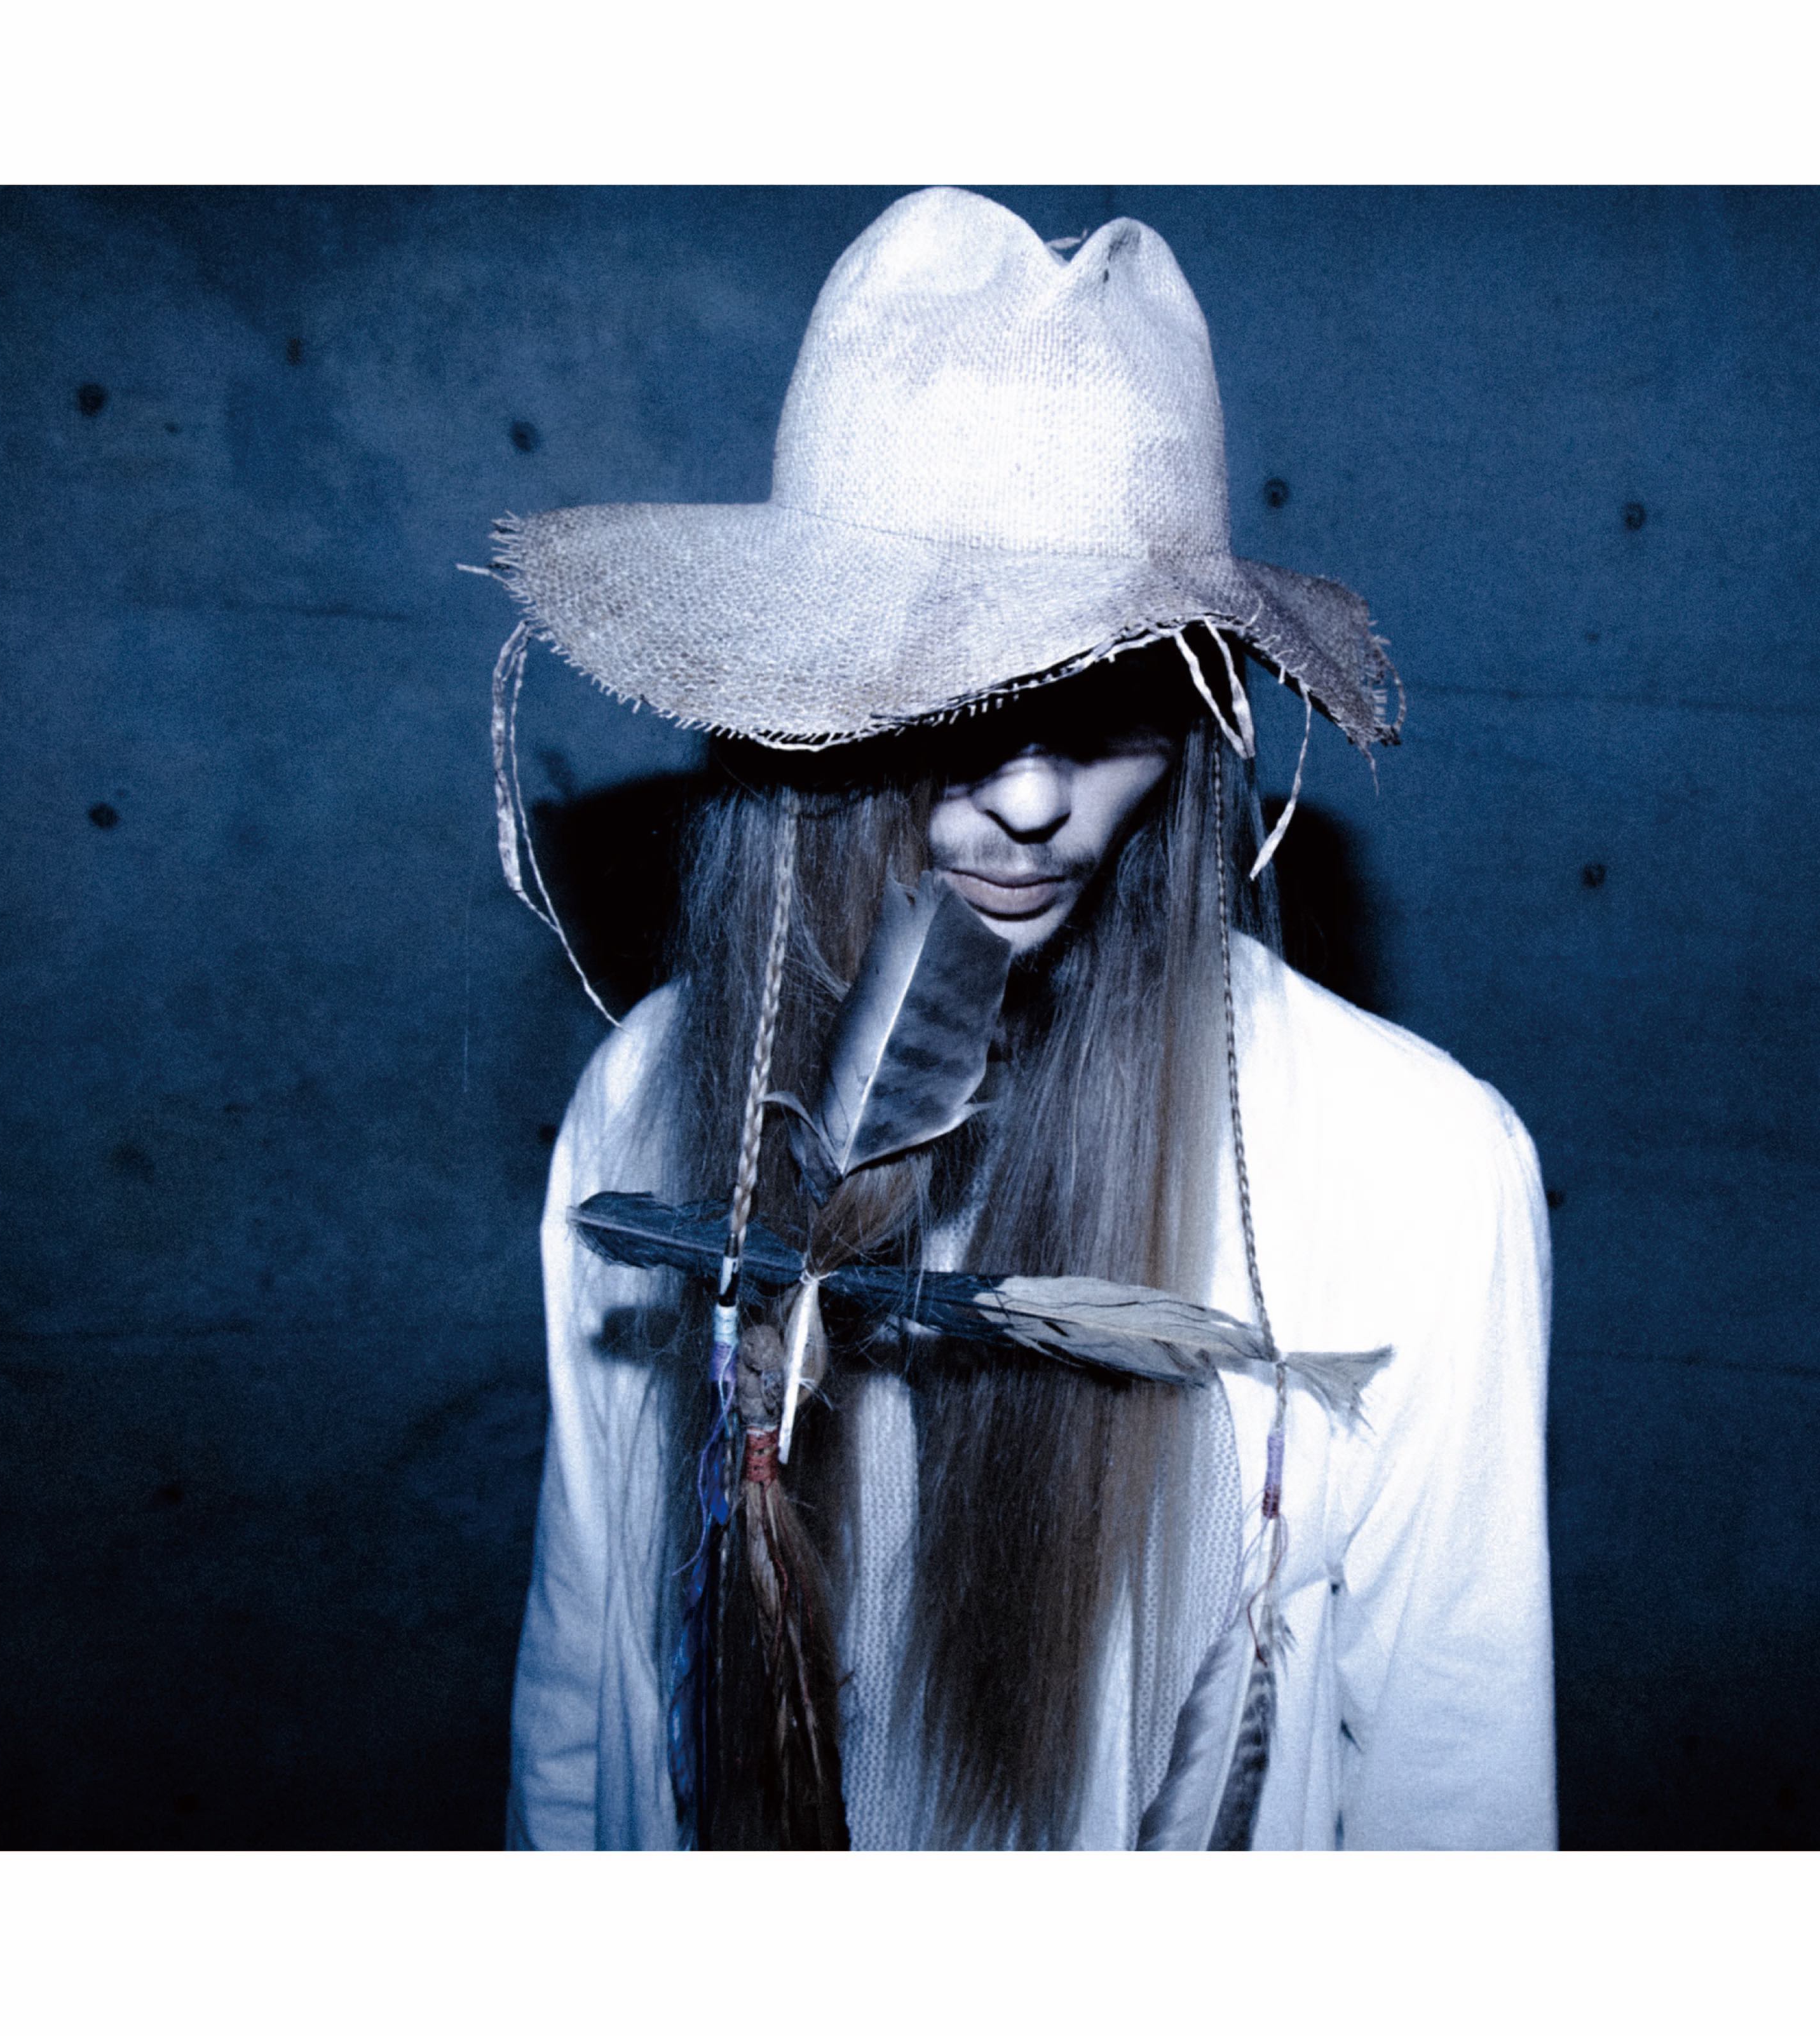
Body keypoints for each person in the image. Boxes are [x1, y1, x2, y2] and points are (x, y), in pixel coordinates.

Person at [486, 187, 1554, 1849]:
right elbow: (589, 1681)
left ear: (1200, 712)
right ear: (801, 705)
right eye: (956, 702)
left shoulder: (1411, 1163)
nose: (1038, 801)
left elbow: (1457, 1780)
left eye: (1107, 700)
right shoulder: (648, 1099)